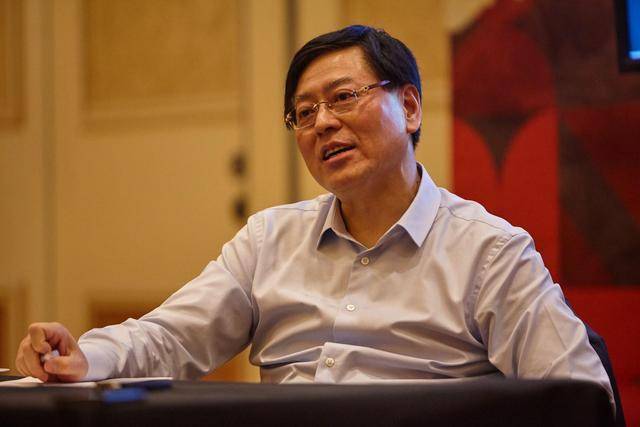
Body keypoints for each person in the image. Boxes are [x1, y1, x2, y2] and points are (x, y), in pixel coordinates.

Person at [15, 25, 614, 406]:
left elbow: (582, 399)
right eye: (304, 113)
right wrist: (84, 358)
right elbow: (171, 337)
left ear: (409, 107)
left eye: (344, 98)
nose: (323, 123)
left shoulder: (489, 251)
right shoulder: (270, 239)